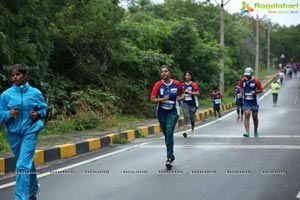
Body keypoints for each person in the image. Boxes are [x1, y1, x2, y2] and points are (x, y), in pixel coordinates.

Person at [0, 64, 48, 200]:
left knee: (22, 165)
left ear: (25, 76)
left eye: (18, 74)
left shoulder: (35, 93)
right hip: (14, 134)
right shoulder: (6, 95)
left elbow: (44, 109)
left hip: (30, 132)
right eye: (13, 75)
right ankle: (33, 191)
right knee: (27, 163)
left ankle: (20, 197)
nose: (15, 77)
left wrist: (37, 114)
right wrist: (8, 114)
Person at [150, 65, 184, 169]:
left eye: (166, 71)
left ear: (169, 72)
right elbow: (152, 99)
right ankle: (171, 155)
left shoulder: (177, 84)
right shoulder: (158, 85)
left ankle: (169, 158)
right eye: (162, 72)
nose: (164, 73)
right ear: (160, 74)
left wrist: (180, 98)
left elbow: (182, 94)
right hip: (161, 112)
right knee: (166, 135)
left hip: (173, 111)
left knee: (169, 132)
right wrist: (162, 99)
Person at [239, 67, 263, 138]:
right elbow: (241, 87)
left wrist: (255, 92)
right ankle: (247, 132)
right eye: (246, 74)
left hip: (254, 101)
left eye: (248, 75)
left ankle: (255, 131)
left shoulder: (256, 81)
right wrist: (241, 93)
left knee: (255, 117)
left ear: (252, 73)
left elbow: (261, 90)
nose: (247, 76)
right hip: (246, 100)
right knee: (247, 114)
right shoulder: (242, 80)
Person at [182, 71, 200, 138]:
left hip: (193, 103)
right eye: (186, 75)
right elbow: (181, 94)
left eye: (188, 75)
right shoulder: (182, 85)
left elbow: (198, 93)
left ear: (191, 76)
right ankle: (185, 132)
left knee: (192, 118)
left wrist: (190, 92)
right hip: (185, 103)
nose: (187, 76)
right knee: (186, 116)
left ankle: (193, 129)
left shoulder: (193, 84)